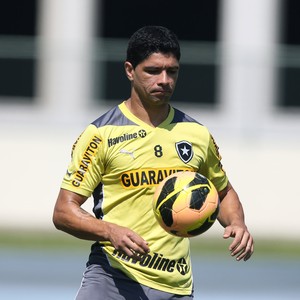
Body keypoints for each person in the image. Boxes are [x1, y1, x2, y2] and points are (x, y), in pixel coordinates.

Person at [53, 25, 254, 300]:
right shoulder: (101, 134)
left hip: (174, 286)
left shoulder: (196, 134)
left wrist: (237, 222)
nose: (164, 80)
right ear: (129, 71)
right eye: (153, 70)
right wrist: (109, 231)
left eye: (172, 71)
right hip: (112, 278)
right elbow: (64, 211)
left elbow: (223, 191)